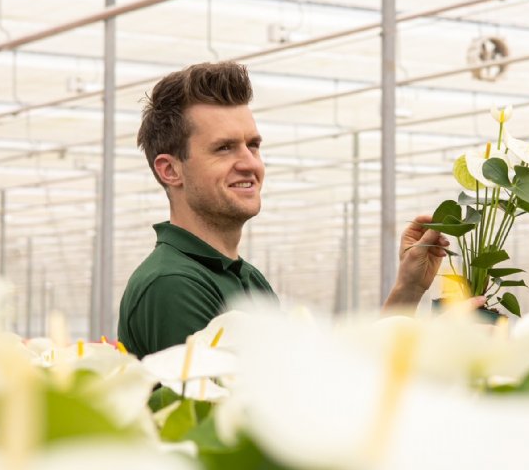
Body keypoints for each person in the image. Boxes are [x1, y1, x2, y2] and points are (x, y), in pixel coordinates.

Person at [117, 62, 449, 359]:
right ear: (170, 170)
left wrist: (408, 289)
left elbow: (305, 393)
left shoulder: (244, 276)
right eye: (224, 148)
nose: (249, 163)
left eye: (253, 145)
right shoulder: (173, 284)